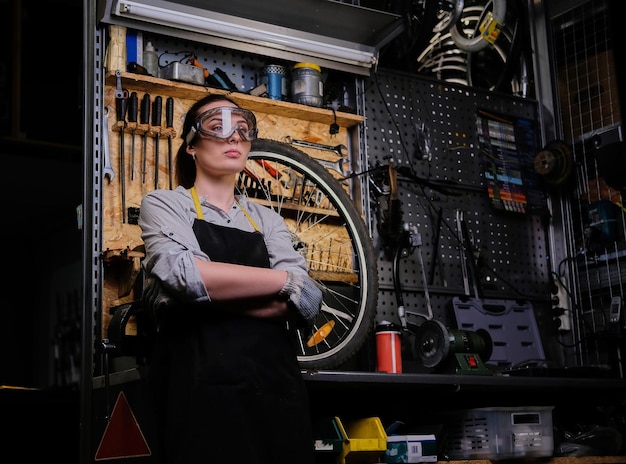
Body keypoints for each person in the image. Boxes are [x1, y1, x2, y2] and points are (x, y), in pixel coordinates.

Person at [138, 94, 323, 464]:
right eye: (217, 126)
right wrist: (281, 281)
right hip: (198, 394)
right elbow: (187, 275)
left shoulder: (267, 219)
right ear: (192, 145)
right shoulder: (164, 205)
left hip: (275, 392)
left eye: (242, 128)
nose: (234, 137)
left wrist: (203, 300)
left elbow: (307, 299)